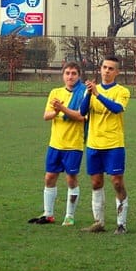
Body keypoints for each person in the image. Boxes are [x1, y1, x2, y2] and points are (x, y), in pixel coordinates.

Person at [28, 61, 86, 226]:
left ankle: (69, 215)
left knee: (71, 179)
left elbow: (82, 116)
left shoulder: (83, 94)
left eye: (74, 73)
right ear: (63, 75)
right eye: (67, 73)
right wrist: (57, 111)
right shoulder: (55, 92)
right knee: (50, 177)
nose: (70, 76)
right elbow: (46, 115)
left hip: (73, 144)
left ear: (79, 76)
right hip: (55, 144)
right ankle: (48, 214)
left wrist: (62, 109)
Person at [79, 56, 131, 234]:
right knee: (96, 182)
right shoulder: (92, 90)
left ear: (117, 72)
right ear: (100, 69)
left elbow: (116, 109)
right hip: (94, 143)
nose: (107, 71)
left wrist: (97, 94)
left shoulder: (122, 91)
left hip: (114, 144)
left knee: (117, 182)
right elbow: (82, 111)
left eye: (111, 68)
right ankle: (98, 222)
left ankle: (121, 224)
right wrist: (88, 94)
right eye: (104, 67)